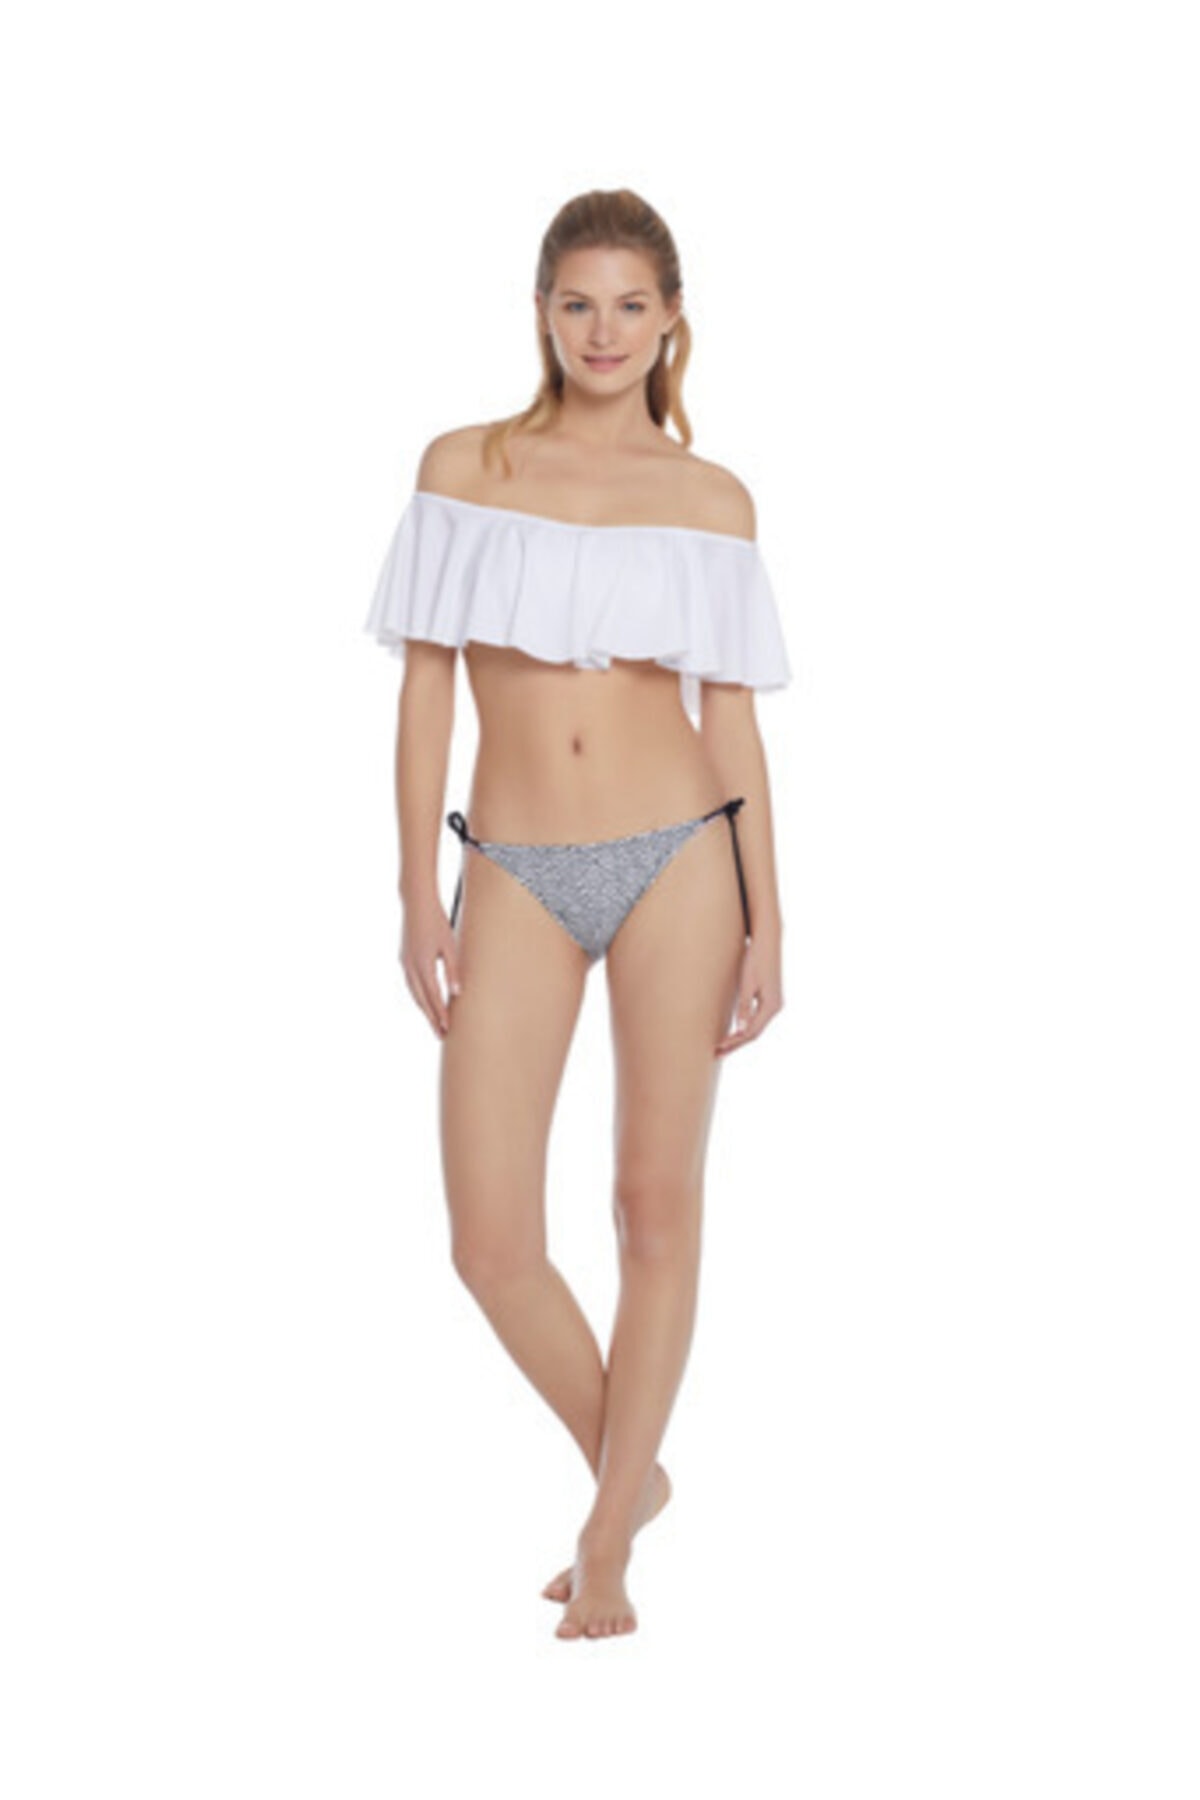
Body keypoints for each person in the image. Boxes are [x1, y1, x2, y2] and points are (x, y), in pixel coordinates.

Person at [363, 188, 793, 1640]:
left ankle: (606, 1537)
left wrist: (770, 921)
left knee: (652, 1207)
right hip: (514, 868)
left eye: (630, 304)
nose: (603, 331)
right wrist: (415, 890)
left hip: (681, 858)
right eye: (577, 303)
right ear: (542, 313)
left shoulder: (711, 500)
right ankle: (637, 1469)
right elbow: (427, 691)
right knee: (490, 1239)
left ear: (671, 320)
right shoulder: (466, 467)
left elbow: (731, 725)